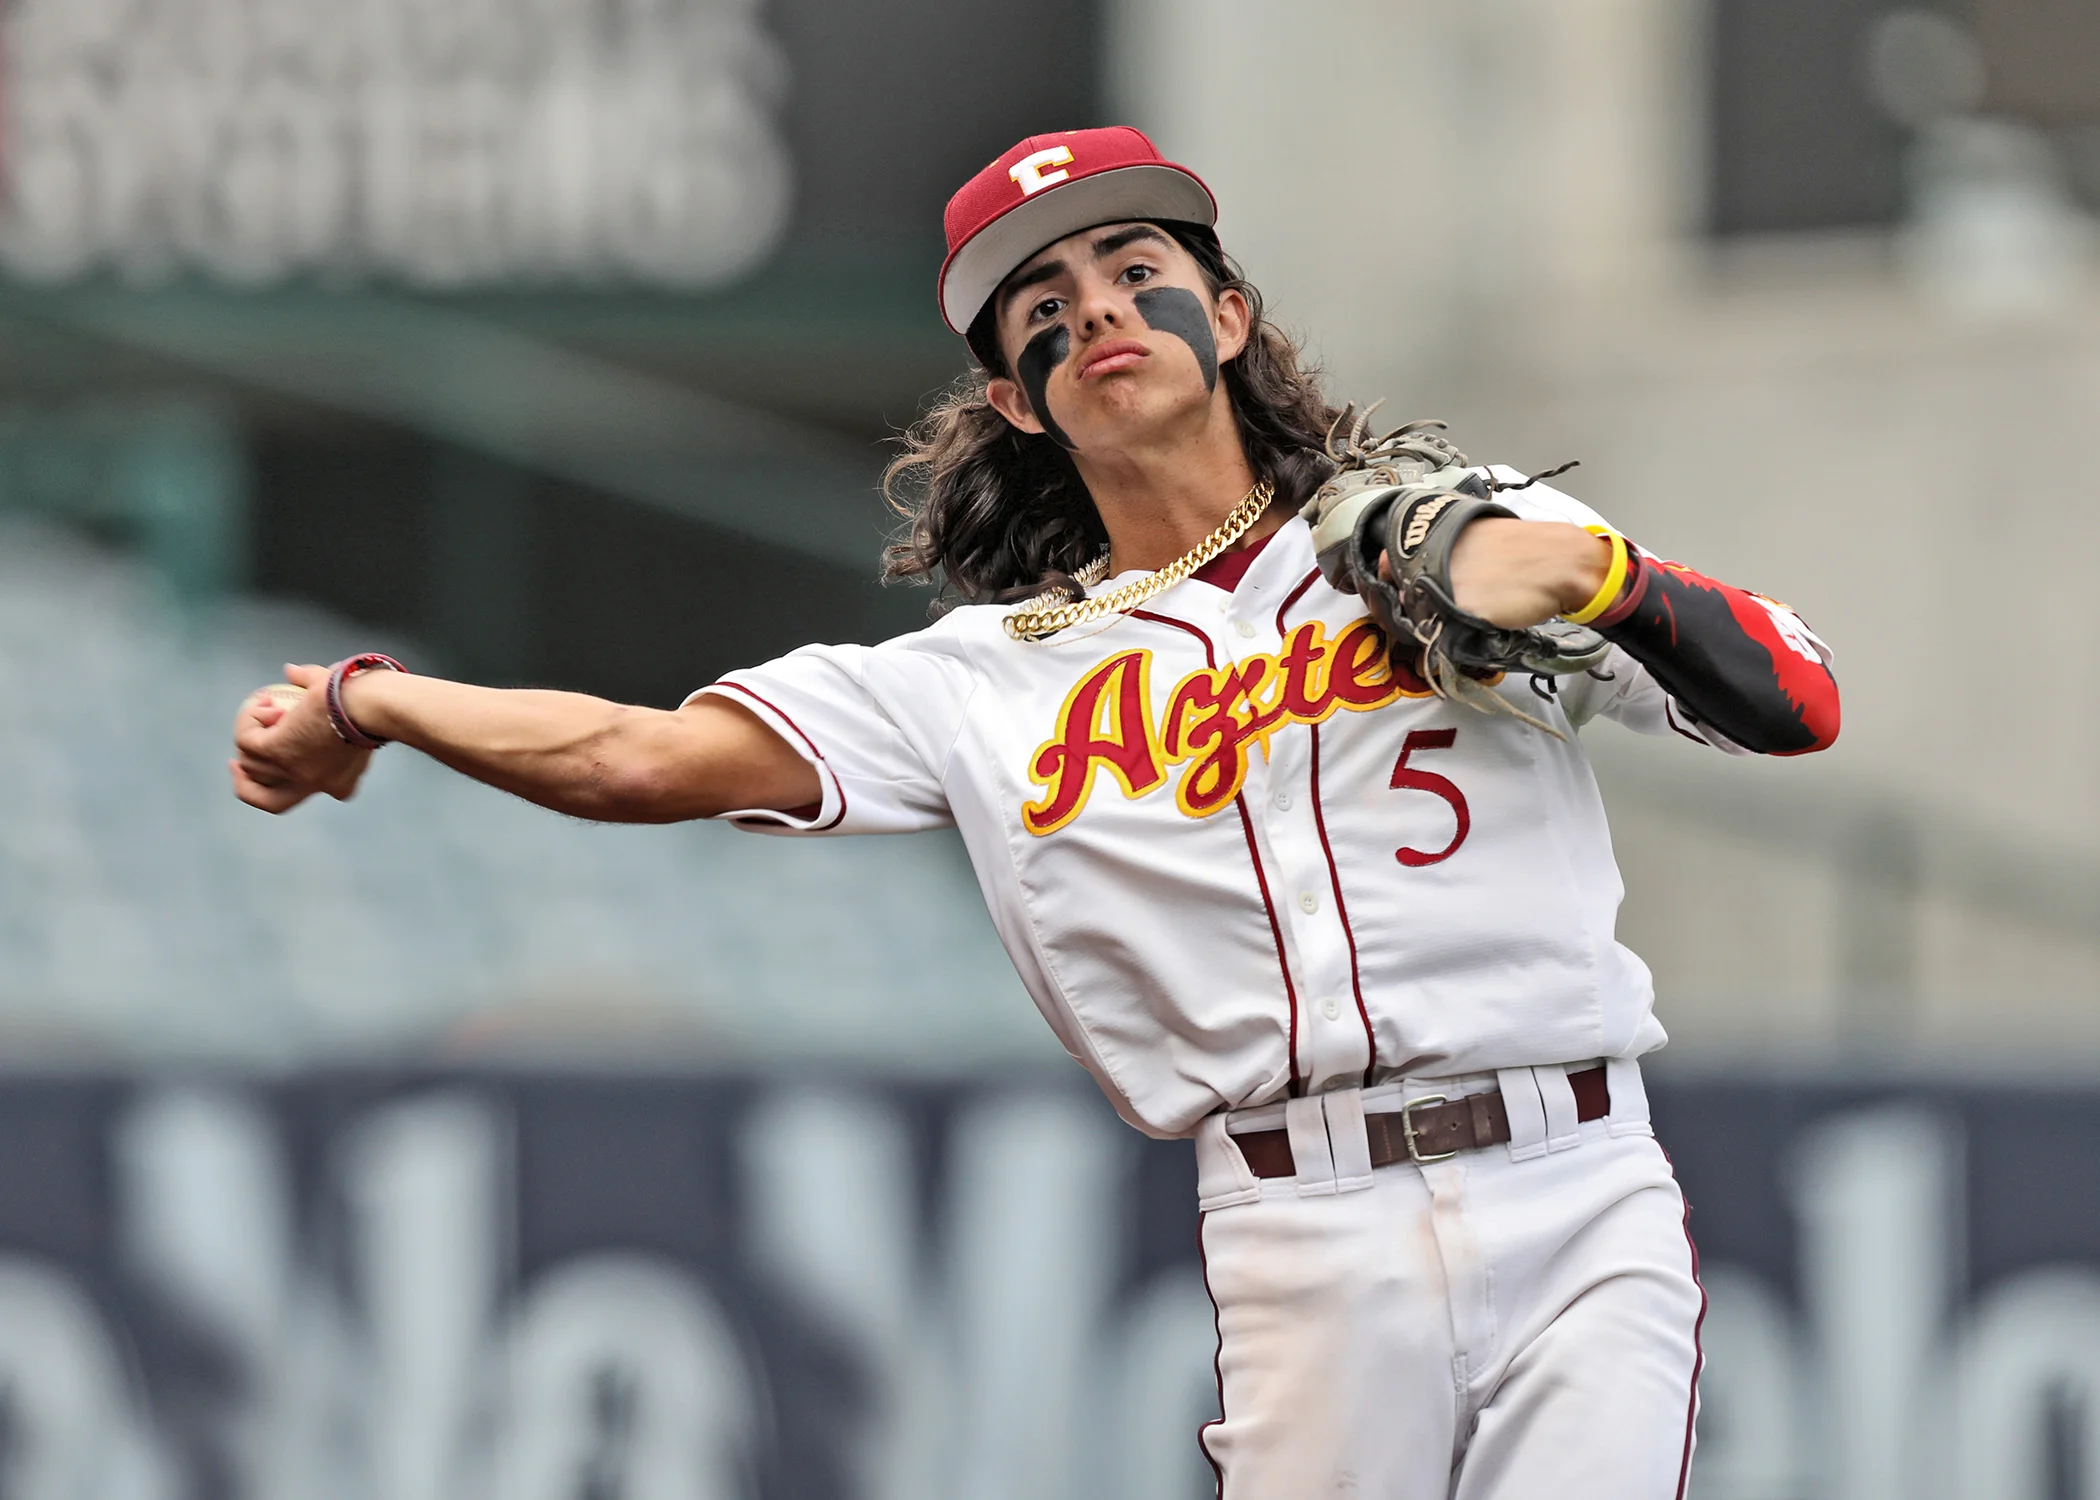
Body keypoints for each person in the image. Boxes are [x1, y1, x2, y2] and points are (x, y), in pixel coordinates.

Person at [231, 127, 1839, 1498]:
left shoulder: (1447, 536)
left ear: (1228, 311)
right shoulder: (981, 680)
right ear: (1016, 399)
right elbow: (637, 760)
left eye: (1135, 268)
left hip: (1576, 1177)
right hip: (1301, 1224)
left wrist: (1614, 585)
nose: (1098, 311)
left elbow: (1799, 703)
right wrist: (372, 700)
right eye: (1042, 308)